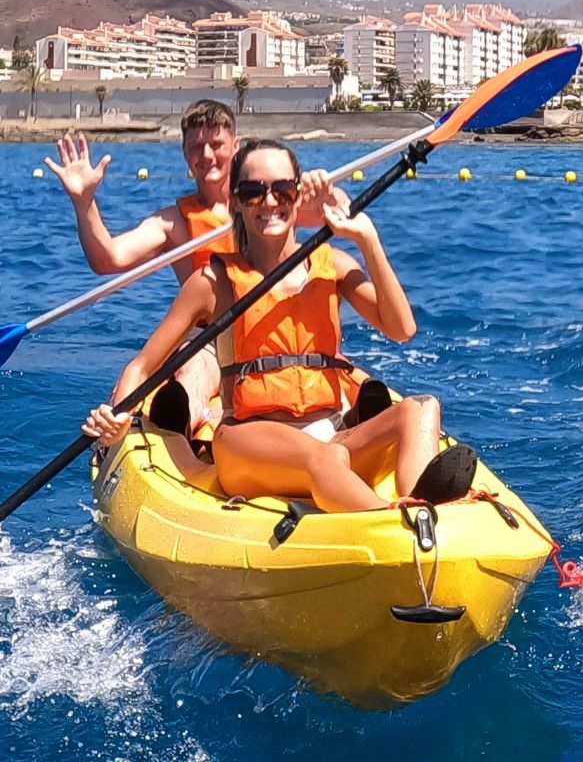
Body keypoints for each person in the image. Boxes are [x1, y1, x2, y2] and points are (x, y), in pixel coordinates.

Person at [82, 138, 475, 513]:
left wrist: (368, 240)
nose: (269, 201)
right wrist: (116, 421)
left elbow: (402, 329)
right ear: (236, 201)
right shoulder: (212, 283)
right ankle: (396, 523)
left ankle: (424, 508)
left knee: (421, 408)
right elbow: (142, 367)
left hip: (331, 433)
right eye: (253, 191)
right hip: (248, 443)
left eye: (283, 189)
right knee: (323, 458)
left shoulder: (333, 265)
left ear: (298, 195)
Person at [46, 100, 336, 433]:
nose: (208, 155)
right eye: (197, 147)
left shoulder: (277, 206)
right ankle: (184, 429)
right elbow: (108, 258)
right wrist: (84, 203)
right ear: (185, 154)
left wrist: (323, 190)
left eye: (217, 145)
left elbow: (340, 214)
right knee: (194, 369)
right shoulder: (174, 223)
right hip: (214, 341)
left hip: (283, 334)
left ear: (236, 147)